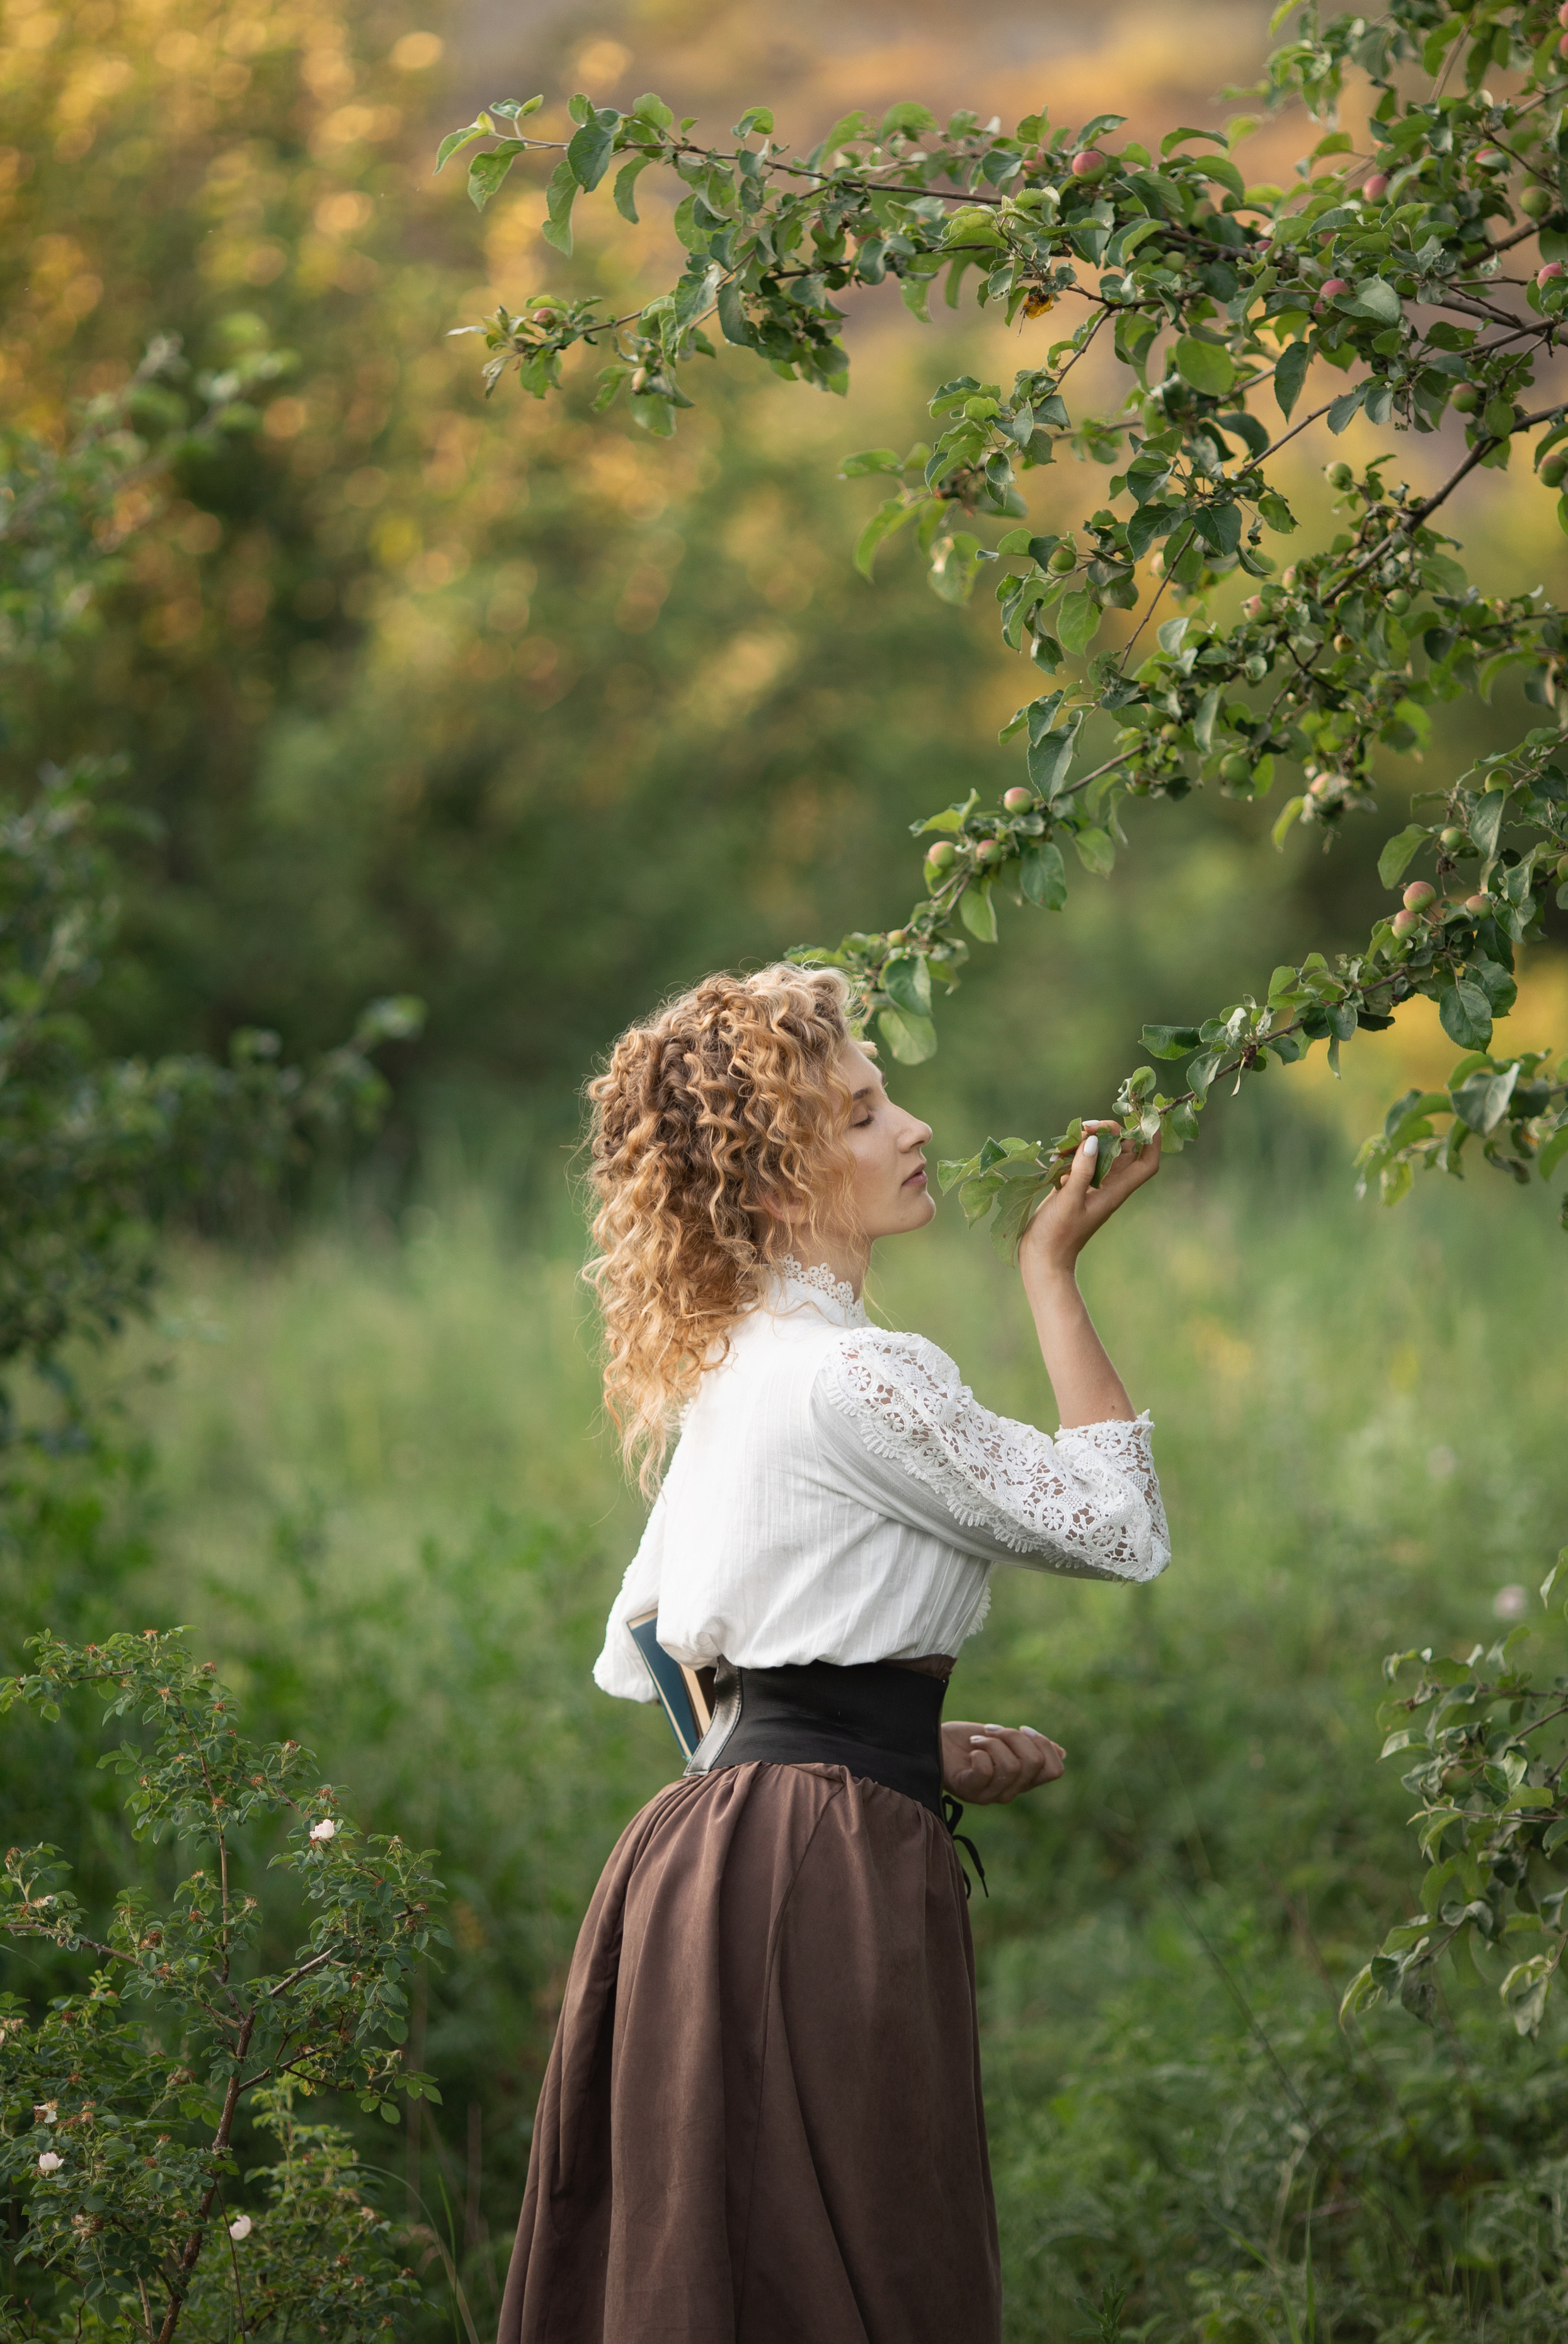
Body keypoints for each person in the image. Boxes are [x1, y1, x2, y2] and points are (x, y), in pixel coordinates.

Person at [498, 963, 1169, 2344]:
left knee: (740, 2275)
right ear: (774, 1176)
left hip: (702, 1861)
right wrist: (1049, 1271)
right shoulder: (859, 1376)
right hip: (814, 1871)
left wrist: (892, 1751)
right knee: (856, 2273)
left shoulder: (739, 1369)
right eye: (862, 1116)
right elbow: (1117, 1527)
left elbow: (650, 1644)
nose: (911, 1128)